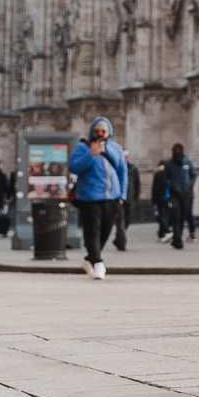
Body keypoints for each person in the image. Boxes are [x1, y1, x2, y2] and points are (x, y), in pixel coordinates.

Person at [68, 117, 129, 278]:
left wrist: (122, 195)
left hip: (113, 197)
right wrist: (91, 154)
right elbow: (74, 167)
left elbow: (123, 172)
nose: (100, 134)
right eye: (97, 131)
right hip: (90, 197)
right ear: (91, 132)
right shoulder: (83, 147)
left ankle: (90, 259)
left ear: (109, 132)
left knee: (106, 230)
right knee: (92, 231)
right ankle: (98, 262)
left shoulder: (115, 148)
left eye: (103, 131)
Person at [161, 144, 195, 250]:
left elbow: (193, 175)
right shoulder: (169, 164)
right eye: (174, 150)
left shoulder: (187, 162)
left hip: (186, 195)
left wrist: (189, 186)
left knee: (182, 217)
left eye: (177, 150)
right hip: (174, 195)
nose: (175, 152)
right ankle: (177, 239)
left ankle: (177, 238)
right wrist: (172, 186)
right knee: (176, 216)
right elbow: (165, 179)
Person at [150, 159, 170, 239]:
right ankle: (162, 233)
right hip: (169, 197)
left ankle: (167, 231)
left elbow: (155, 188)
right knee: (166, 215)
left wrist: (153, 200)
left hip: (159, 198)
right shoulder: (169, 173)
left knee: (161, 216)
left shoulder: (157, 173)